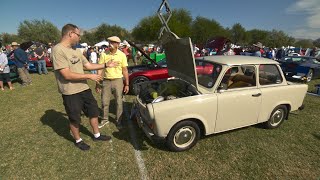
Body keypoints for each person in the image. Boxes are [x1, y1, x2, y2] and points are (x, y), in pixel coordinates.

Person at [51, 23, 118, 151]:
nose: (79, 38)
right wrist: (89, 77)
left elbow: (87, 65)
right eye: (78, 35)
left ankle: (96, 135)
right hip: (70, 92)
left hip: (84, 88)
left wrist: (105, 65)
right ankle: (78, 140)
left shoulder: (76, 50)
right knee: (75, 117)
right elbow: (67, 75)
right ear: (71, 34)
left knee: (93, 111)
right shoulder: (58, 50)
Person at [96, 36, 129, 129]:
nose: (110, 44)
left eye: (112, 42)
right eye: (109, 42)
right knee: (104, 101)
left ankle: (119, 121)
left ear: (117, 44)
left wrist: (127, 84)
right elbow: (100, 68)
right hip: (106, 81)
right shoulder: (104, 54)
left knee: (119, 102)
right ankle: (104, 119)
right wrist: (97, 82)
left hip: (118, 81)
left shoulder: (122, 55)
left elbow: (125, 70)